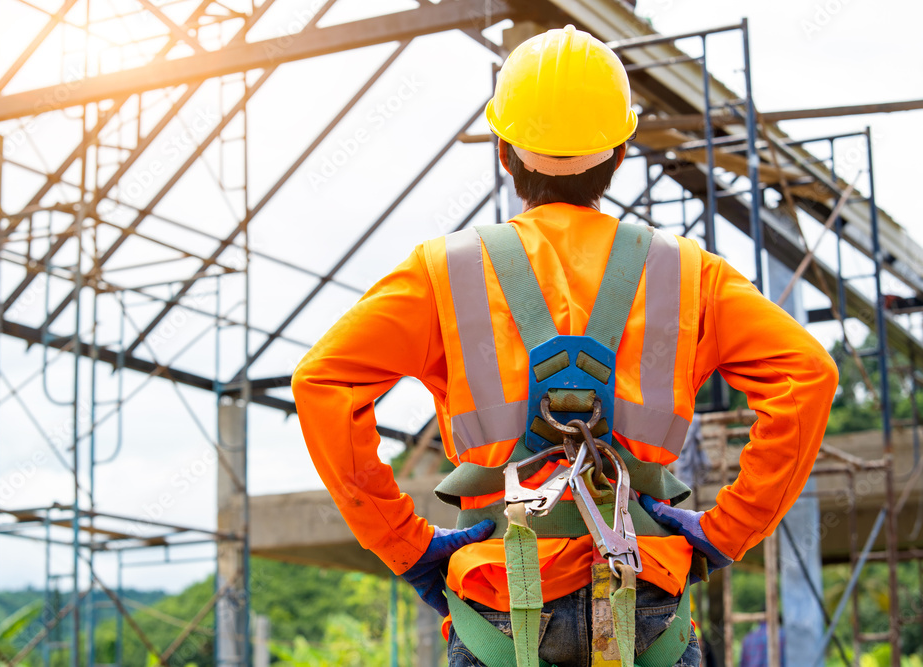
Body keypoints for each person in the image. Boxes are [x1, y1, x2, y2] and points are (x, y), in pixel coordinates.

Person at [292, 24, 837, 667]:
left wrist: (405, 544)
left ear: (504, 152)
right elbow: (809, 374)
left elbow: (321, 382)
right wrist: (726, 533)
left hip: (499, 598)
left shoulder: (444, 272)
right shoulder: (691, 274)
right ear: (621, 154)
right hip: (646, 598)